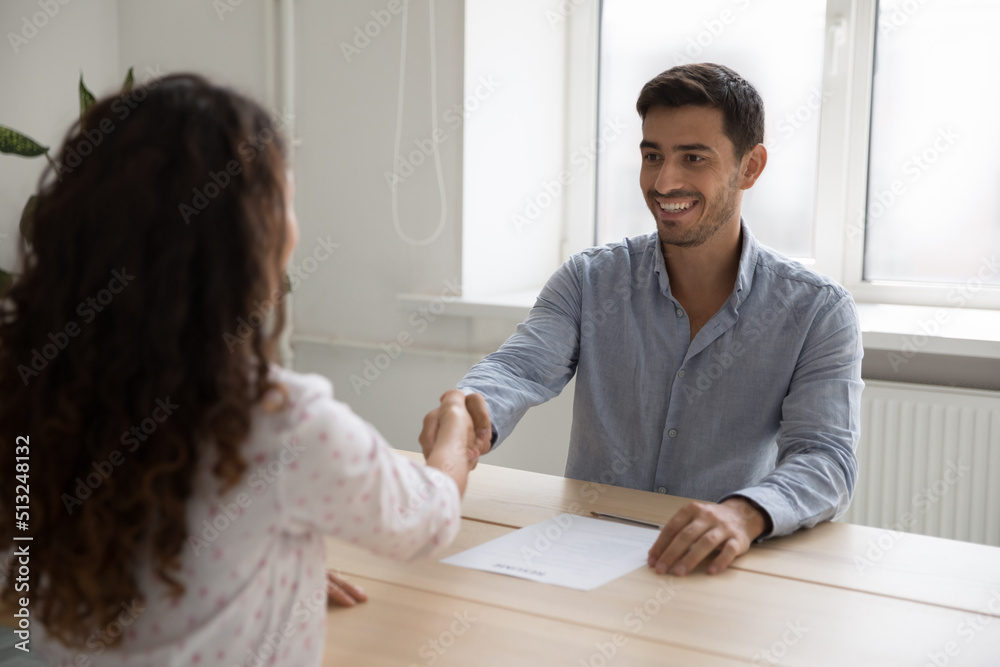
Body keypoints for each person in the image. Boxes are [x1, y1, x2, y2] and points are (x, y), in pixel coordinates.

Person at [0, 73, 481, 666]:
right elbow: (426, 520)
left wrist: (260, 561)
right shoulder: (283, 422)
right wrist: (454, 431)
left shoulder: (29, 386)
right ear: (245, 245)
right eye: (284, 202)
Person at [421, 62, 863, 578]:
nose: (664, 181)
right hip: (578, 557)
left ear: (750, 167)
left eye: (693, 158)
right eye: (652, 156)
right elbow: (518, 370)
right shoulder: (590, 280)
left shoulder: (817, 311)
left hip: (720, 568)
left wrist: (742, 515)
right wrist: (466, 414)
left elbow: (825, 458)